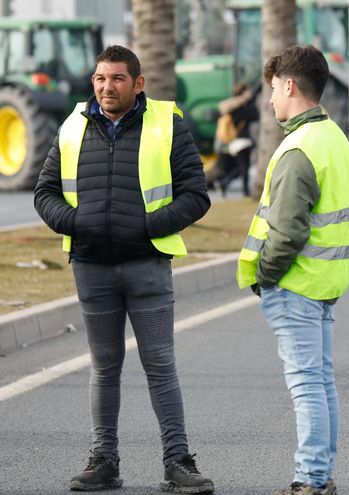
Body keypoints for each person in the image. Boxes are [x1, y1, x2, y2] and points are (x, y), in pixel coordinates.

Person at [33, 45, 214, 494]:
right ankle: (104, 461)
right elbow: (45, 193)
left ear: (138, 84)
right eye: (100, 78)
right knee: (103, 367)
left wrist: (150, 225)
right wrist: (77, 223)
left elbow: (196, 194)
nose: (106, 86)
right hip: (92, 266)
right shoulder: (73, 126)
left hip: (147, 264)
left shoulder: (168, 124)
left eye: (116, 79)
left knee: (160, 366)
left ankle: (178, 462)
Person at [236, 44, 349, 495]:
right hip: (325, 283)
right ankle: (320, 476)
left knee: (307, 387)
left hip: (295, 284)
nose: (269, 100)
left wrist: (265, 274)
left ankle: (309, 480)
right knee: (322, 384)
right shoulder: (335, 138)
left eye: (272, 89)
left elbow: (286, 231)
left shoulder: (298, 148)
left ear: (289, 85)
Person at [207, 83, 259, 196]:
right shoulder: (244, 108)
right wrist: (250, 100)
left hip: (233, 142)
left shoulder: (230, 108)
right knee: (244, 168)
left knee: (239, 167)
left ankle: (224, 183)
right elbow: (255, 114)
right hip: (243, 142)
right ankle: (244, 190)